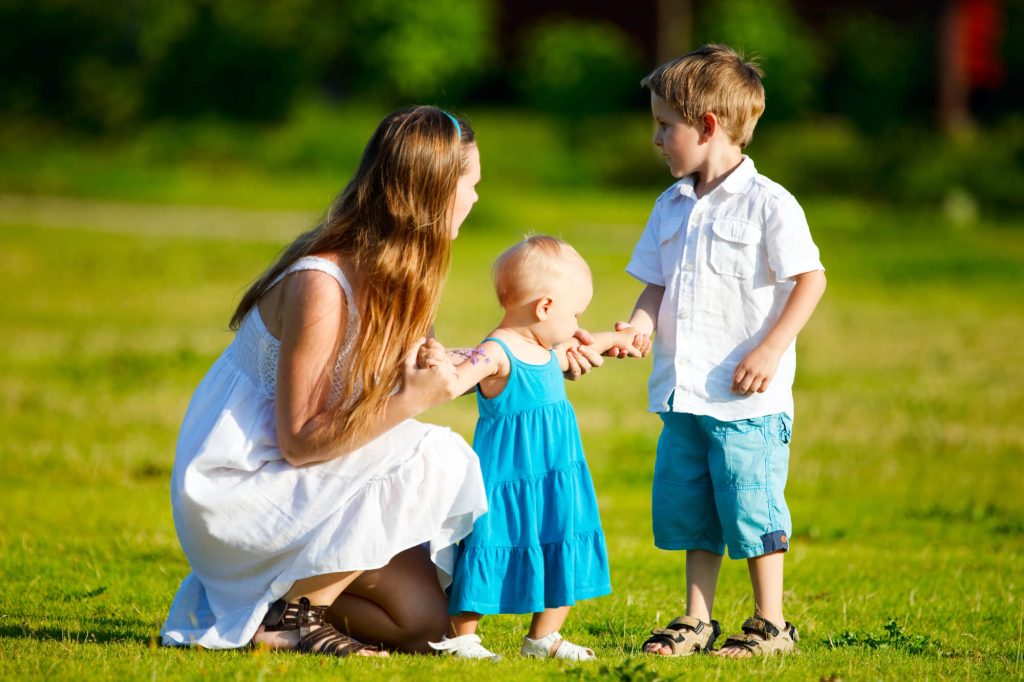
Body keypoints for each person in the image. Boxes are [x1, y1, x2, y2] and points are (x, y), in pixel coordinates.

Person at [160, 106, 495, 657]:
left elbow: (431, 372)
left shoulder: (405, 279)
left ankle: (262, 605)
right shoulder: (322, 281)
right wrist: (410, 401)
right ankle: (297, 617)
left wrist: (532, 348)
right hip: (242, 487)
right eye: (471, 184)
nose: (477, 198)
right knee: (437, 452)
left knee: (422, 622)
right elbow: (298, 441)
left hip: (305, 482)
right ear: (432, 192)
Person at [616, 44, 826, 658]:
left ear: (707, 127)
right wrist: (636, 327)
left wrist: (771, 348)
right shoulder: (669, 206)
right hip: (683, 393)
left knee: (751, 504)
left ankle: (771, 623)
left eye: (665, 126)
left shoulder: (769, 204)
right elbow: (655, 284)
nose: (656, 139)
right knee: (693, 507)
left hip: (745, 399)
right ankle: (696, 618)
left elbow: (810, 280)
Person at [422, 236, 642, 661]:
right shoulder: (496, 353)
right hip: (506, 480)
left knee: (564, 539)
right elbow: (454, 380)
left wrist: (622, 339)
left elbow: (581, 347)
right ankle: (462, 637)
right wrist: (438, 360)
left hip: (557, 475)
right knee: (487, 545)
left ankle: (543, 637)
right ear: (544, 308)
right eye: (575, 314)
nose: (577, 324)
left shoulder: (543, 351)